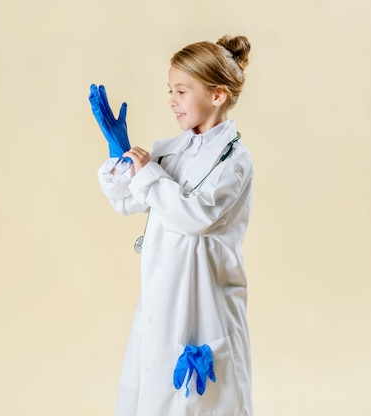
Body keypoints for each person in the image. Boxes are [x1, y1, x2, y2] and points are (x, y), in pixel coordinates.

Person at [89, 35, 254, 415]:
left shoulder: (234, 160)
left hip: (204, 303)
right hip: (162, 298)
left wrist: (148, 174)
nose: (172, 101)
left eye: (181, 91)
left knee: (202, 403)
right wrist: (121, 155)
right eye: (170, 90)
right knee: (154, 394)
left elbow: (196, 216)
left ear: (217, 96)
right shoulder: (169, 150)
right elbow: (127, 199)